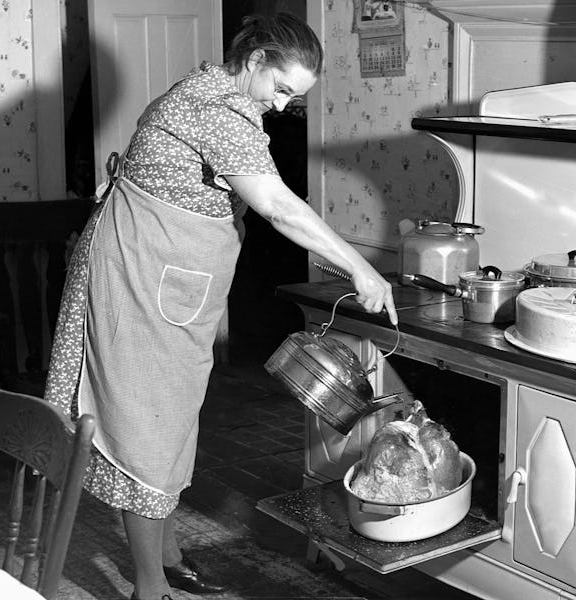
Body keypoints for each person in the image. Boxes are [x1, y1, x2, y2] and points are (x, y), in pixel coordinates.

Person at [44, 12, 397, 600]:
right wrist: (359, 266)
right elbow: (278, 207)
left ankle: (168, 550)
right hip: (140, 272)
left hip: (169, 277)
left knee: (174, 416)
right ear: (255, 61)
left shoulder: (218, 95)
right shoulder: (215, 109)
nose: (284, 107)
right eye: (282, 89)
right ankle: (149, 585)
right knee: (146, 427)